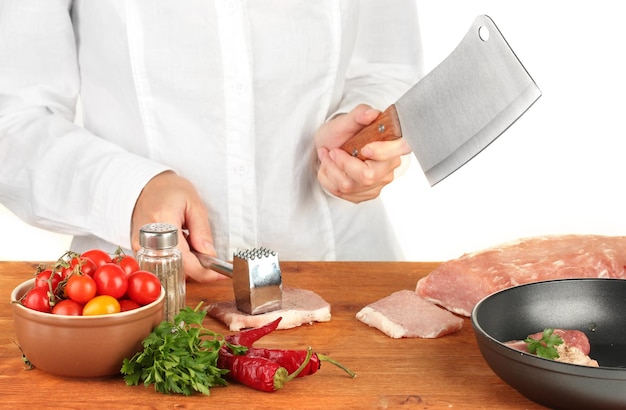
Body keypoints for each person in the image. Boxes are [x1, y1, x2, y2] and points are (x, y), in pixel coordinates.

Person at [0, 1, 423, 282]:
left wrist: (359, 138)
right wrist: (130, 192)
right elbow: (14, 119)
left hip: (342, 280)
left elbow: (385, 65)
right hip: (133, 295)